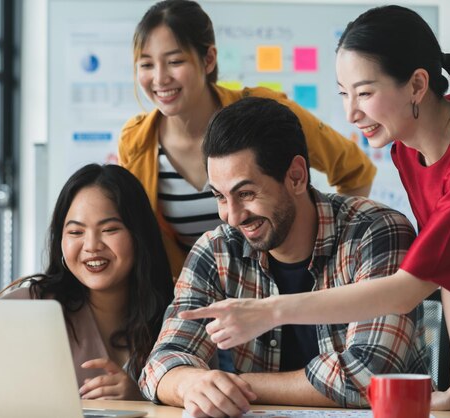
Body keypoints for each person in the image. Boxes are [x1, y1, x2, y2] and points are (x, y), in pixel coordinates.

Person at [178, 5, 450, 411]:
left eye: (365, 93)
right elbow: (448, 271)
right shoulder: (407, 151)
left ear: (416, 85)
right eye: (345, 94)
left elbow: (404, 292)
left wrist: (269, 312)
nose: (351, 113)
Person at [140, 96, 428, 417]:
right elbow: (160, 365)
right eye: (220, 197)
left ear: (296, 176)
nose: (232, 216)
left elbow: (369, 375)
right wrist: (191, 384)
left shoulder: (375, 231)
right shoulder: (216, 250)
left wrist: (234, 386)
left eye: (246, 194)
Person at [119, 0, 377, 278]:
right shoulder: (136, 143)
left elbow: (354, 170)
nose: (159, 78)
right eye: (146, 64)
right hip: (196, 300)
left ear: (208, 59)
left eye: (175, 61)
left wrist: (327, 257)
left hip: (281, 293)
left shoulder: (262, 111)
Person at [0, 163, 175, 400]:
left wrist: (140, 396)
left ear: (139, 234)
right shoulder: (32, 304)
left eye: (109, 229)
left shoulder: (176, 311)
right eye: (76, 231)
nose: (91, 245)